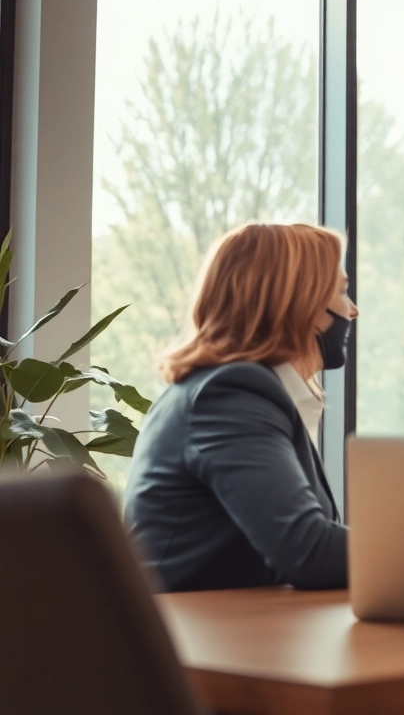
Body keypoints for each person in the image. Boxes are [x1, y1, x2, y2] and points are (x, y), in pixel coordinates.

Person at [124, 223, 355, 592]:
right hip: (185, 642)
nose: (353, 310)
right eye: (342, 292)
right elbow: (308, 550)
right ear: (301, 303)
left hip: (235, 631)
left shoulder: (239, 392)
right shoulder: (230, 395)